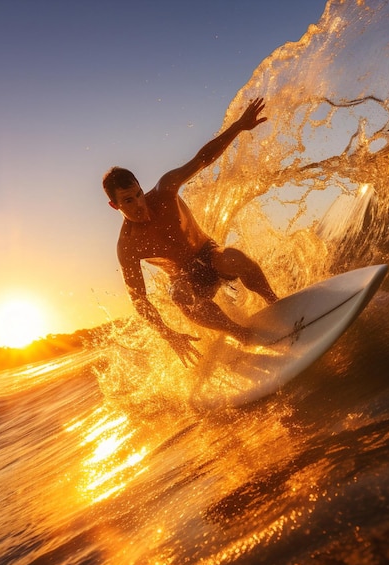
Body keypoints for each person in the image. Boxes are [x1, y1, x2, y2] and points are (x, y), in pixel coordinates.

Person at [103, 98, 277, 366]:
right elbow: (140, 300)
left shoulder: (166, 189)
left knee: (233, 256)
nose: (139, 204)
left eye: (138, 194)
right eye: (128, 201)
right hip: (185, 278)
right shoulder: (128, 246)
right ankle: (241, 334)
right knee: (179, 295)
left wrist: (239, 126)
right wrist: (168, 335)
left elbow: (202, 159)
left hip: (208, 254)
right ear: (114, 205)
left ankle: (275, 303)